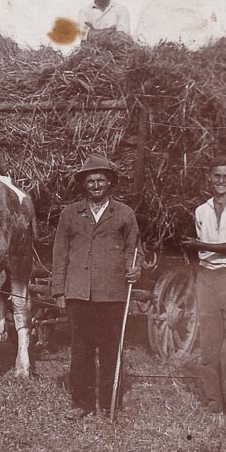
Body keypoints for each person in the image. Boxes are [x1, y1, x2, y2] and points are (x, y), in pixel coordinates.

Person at [51, 154, 140, 418]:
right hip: (78, 293)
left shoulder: (124, 214)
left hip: (112, 293)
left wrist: (135, 268)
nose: (96, 186)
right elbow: (60, 253)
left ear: (110, 183)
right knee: (81, 350)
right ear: (84, 185)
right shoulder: (70, 214)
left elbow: (133, 250)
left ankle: (110, 402)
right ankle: (82, 404)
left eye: (101, 180)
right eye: (91, 181)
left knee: (112, 349)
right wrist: (59, 290)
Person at [180, 157, 226, 415]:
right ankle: (214, 403)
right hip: (207, 278)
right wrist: (197, 257)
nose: (221, 181)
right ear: (209, 179)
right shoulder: (201, 211)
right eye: (216, 176)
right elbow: (200, 250)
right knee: (209, 342)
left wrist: (197, 246)